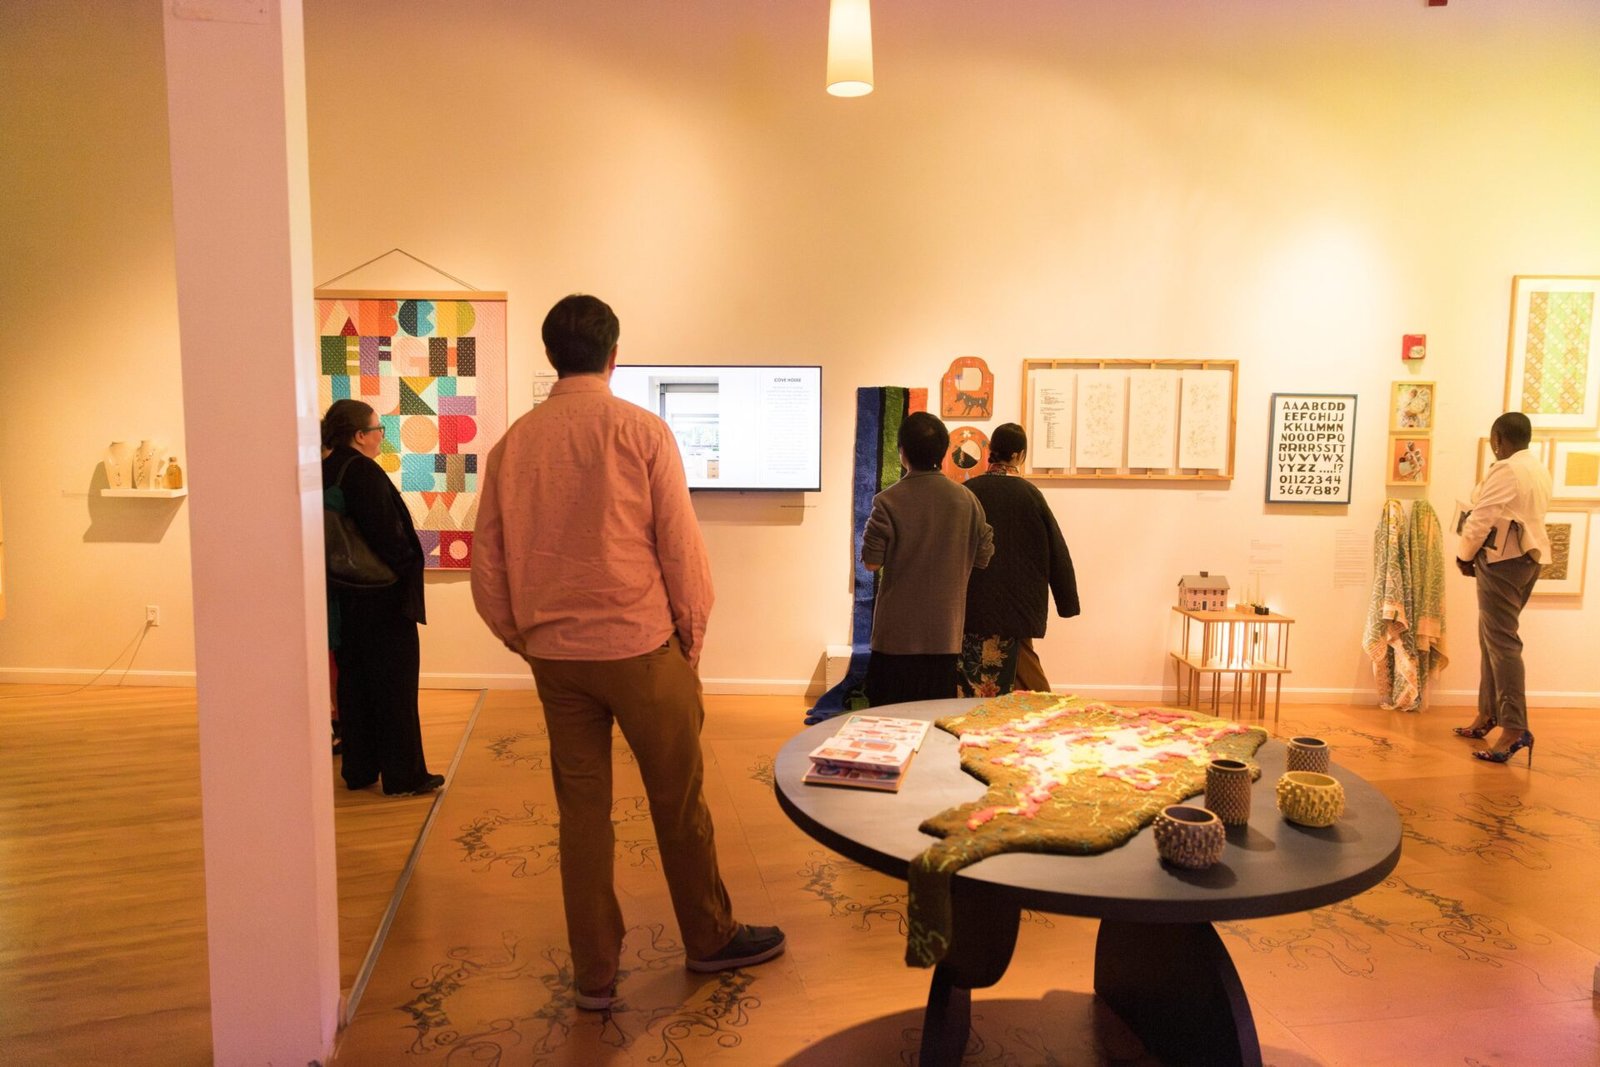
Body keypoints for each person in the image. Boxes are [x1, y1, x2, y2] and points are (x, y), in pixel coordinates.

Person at [470, 294, 783, 1011]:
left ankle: (595, 974)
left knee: (581, 815)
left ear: (551, 355)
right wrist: (689, 641)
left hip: (558, 660)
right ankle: (708, 937)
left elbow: (488, 567)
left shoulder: (512, 446)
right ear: (614, 355)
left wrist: (526, 639)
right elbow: (681, 550)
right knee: (678, 802)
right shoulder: (642, 431)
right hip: (642, 649)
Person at [320, 400, 444, 796]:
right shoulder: (362, 471)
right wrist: (407, 566)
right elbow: (387, 534)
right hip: (381, 597)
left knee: (355, 684)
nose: (380, 437)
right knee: (395, 687)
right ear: (360, 435)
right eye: (378, 430)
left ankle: (359, 769)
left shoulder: (327, 469)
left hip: (345, 595)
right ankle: (404, 775)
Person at [861, 411, 994, 706]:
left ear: (902, 452)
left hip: (895, 637)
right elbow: (983, 557)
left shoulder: (887, 501)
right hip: (944, 635)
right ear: (944, 452)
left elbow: (871, 562)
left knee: (887, 718)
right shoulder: (968, 501)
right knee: (934, 716)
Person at [1453, 411, 1551, 764]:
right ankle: (1488, 714)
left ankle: (1514, 727)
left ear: (1497, 439)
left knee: (1503, 643)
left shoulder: (1508, 469)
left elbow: (1482, 517)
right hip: (1528, 559)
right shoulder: (1537, 468)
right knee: (1492, 638)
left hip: (1502, 562)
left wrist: (1463, 555)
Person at [957, 423, 1079, 696]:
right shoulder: (1030, 495)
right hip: (1018, 600)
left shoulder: (968, 491)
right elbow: (1056, 550)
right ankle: (1046, 714)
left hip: (974, 596)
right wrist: (1067, 601)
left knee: (971, 670)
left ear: (991, 450)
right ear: (1018, 455)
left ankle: (975, 714)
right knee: (1024, 669)